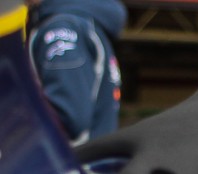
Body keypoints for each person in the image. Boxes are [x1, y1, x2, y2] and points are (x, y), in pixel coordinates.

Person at [27, 0, 126, 145]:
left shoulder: (61, 29)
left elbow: (69, 118)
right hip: (92, 160)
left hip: (70, 162)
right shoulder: (81, 23)